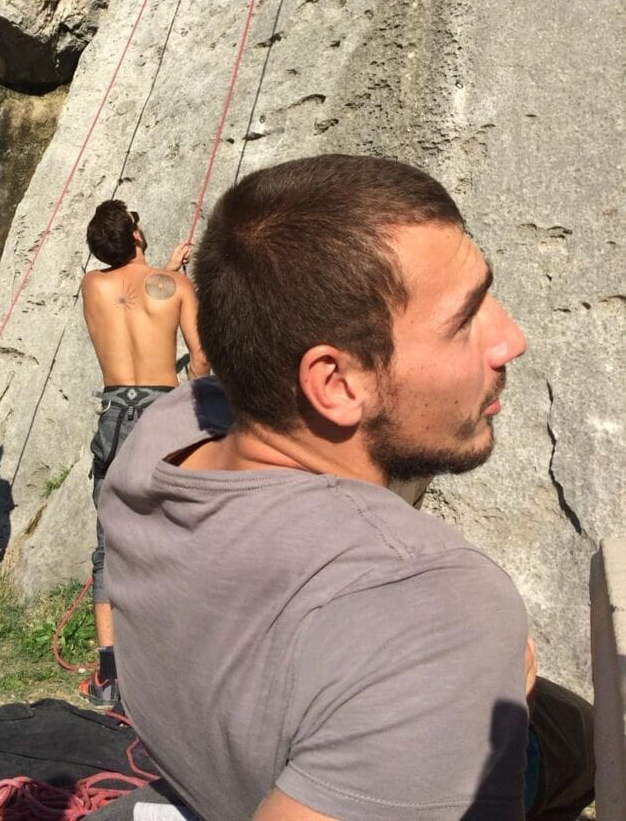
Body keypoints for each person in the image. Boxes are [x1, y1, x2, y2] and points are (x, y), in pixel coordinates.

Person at [100, 155, 594, 820]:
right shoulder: (434, 604)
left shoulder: (161, 434)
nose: (511, 339)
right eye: (465, 319)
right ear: (334, 384)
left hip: (208, 775)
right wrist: (455, 675)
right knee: (583, 742)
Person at [80, 200, 209, 707]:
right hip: (161, 416)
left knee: (108, 546)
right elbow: (199, 360)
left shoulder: (92, 286)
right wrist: (174, 275)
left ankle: (109, 675)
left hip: (114, 418)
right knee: (175, 534)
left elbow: (129, 296)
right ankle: (171, 664)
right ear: (136, 234)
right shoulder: (175, 287)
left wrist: (166, 270)